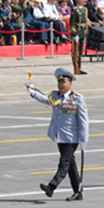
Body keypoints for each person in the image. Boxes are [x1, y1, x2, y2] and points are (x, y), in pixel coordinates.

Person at [28, 68, 89, 201]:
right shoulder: (56, 96)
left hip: (72, 138)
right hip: (60, 136)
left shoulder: (78, 99)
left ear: (70, 84)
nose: (61, 85)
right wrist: (32, 92)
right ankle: (78, 191)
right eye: (59, 83)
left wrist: (84, 139)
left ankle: (52, 187)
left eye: (63, 82)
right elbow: (45, 99)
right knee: (71, 165)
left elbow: (84, 120)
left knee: (64, 163)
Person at [70, 0, 90, 75]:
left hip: (82, 30)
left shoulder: (85, 9)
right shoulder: (74, 10)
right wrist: (75, 33)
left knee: (80, 51)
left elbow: (85, 21)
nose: (82, 0)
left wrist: (85, 31)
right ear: (77, 0)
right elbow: (72, 23)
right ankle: (76, 67)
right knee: (75, 51)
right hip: (77, 31)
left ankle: (79, 68)